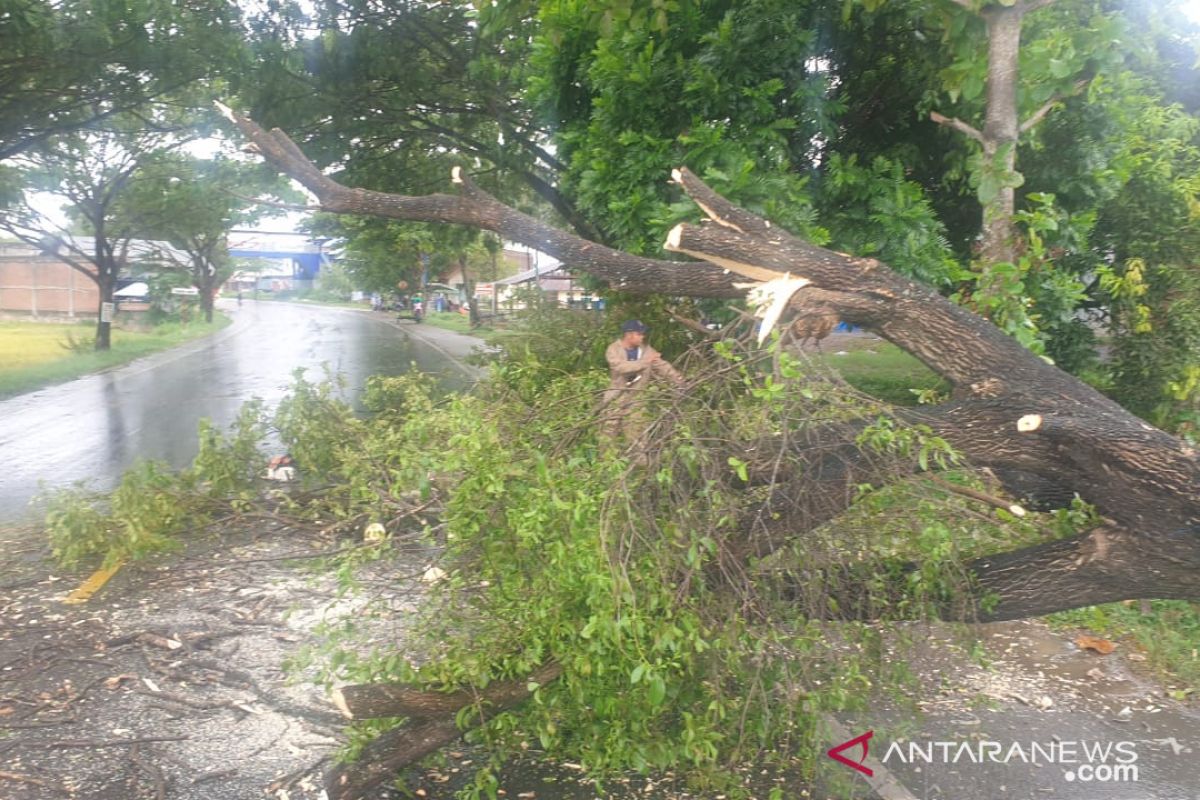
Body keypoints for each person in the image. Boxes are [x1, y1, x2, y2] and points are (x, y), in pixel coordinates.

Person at [600, 320, 685, 447]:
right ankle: (606, 463)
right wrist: (646, 362)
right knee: (608, 433)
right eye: (639, 334)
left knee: (637, 435)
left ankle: (639, 464)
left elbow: (662, 366)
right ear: (629, 335)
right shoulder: (613, 349)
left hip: (637, 399)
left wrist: (680, 381)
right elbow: (622, 367)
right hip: (615, 397)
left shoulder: (647, 351)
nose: (642, 337)